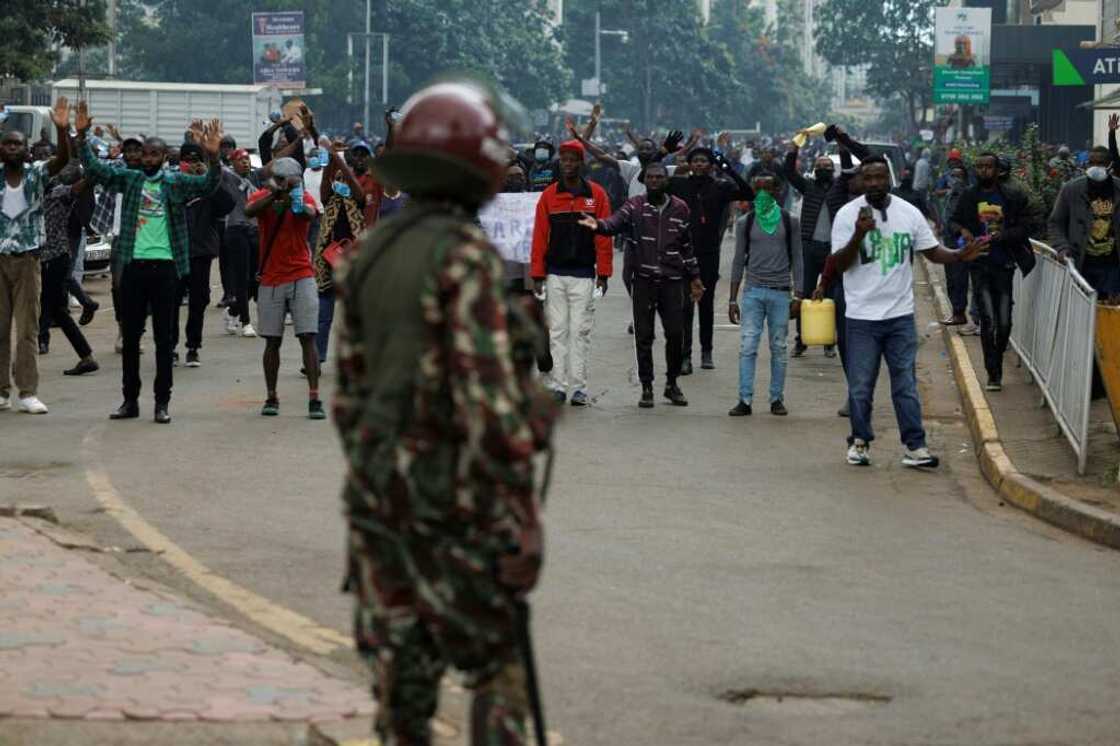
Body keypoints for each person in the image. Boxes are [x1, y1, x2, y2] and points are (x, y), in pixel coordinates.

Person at [334, 79, 557, 745]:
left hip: (377, 505)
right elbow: (491, 411)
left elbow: (348, 395)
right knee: (493, 670)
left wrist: (381, 471)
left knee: (403, 694)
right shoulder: (464, 257)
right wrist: (520, 514)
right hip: (453, 509)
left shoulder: (372, 254)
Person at [78, 106, 225, 424]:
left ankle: (162, 402)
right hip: (134, 267)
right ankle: (129, 401)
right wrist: (79, 136)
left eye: (154, 154)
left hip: (167, 269)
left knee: (163, 340)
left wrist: (213, 157)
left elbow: (208, 186)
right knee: (131, 339)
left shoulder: (175, 182)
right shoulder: (129, 179)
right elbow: (96, 169)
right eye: (144, 153)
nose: (147, 158)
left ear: (163, 156)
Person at [831, 156, 981, 467]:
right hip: (861, 318)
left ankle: (915, 447)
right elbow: (839, 265)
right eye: (867, 178)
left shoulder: (908, 213)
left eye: (879, 177)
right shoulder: (847, 215)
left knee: (905, 385)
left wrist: (958, 255)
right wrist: (859, 234)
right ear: (860, 181)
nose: (874, 183)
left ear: (890, 179)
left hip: (899, 316)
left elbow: (931, 251)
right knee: (861, 387)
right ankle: (859, 442)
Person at [578, 162, 703, 407]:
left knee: (676, 334)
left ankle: (672, 384)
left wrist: (695, 277)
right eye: (651, 177)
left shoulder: (680, 208)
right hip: (643, 282)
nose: (655, 181)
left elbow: (687, 246)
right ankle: (646, 387)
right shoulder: (634, 206)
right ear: (644, 181)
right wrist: (597, 225)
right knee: (644, 337)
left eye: (659, 177)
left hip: (672, 281)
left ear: (666, 181)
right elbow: (613, 223)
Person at [0, 97, 72, 415]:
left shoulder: (36, 174)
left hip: (29, 261)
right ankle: (2, 392)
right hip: (0, 260)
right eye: (7, 144)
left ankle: (27, 392)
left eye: (18, 144)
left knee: (27, 328)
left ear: (26, 148)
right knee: (0, 329)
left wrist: (62, 129)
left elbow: (62, 160)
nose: (13, 148)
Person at [529, 139, 613, 406]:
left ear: (581, 163)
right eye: (563, 160)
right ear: (559, 163)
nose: (568, 164)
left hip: (585, 275)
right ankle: (557, 385)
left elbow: (603, 237)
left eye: (572, 160)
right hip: (554, 274)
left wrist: (605, 273)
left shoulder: (597, 195)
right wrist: (538, 275)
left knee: (580, 332)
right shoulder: (549, 196)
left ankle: (579, 388)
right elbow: (540, 237)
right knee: (557, 332)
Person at [243, 157, 324, 420]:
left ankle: (314, 397)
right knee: (272, 340)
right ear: (274, 179)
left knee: (307, 336)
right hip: (272, 277)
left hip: (301, 273)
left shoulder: (304, 197)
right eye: (282, 179)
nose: (288, 184)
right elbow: (249, 211)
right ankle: (271, 396)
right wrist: (275, 194)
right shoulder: (263, 195)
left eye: (292, 180)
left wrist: (294, 197)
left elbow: (309, 214)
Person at [950, 152, 1033, 391]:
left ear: (997, 171)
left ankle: (996, 359)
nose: (984, 170)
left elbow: (1025, 226)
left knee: (1005, 321)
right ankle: (993, 373)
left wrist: (1003, 236)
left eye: (989, 167)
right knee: (987, 319)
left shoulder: (1012, 197)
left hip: (1004, 264)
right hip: (979, 265)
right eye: (980, 166)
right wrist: (963, 231)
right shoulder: (969, 195)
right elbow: (954, 221)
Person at [668, 146, 753, 374]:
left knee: (706, 303)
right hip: (683, 252)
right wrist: (666, 156)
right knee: (685, 306)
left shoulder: (720, 187)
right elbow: (647, 178)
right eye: (695, 160)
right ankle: (685, 356)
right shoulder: (679, 185)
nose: (699, 164)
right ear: (689, 164)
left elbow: (748, 193)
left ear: (710, 165)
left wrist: (728, 168)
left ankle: (707, 352)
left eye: (704, 161)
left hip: (709, 253)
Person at [727, 175, 803, 417]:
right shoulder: (745, 222)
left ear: (777, 190)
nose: (762, 193)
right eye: (757, 188)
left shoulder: (790, 221)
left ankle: (776, 399)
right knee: (748, 346)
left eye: (767, 188)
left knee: (779, 348)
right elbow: (738, 260)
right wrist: (732, 298)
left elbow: (798, 259)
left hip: (781, 293)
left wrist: (799, 295)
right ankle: (744, 399)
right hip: (753, 292)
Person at [171, 142, 236, 367]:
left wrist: (208, 178)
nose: (190, 164)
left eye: (195, 160)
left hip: (200, 252)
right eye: (186, 160)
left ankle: (192, 347)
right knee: (170, 302)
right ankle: (170, 347)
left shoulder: (208, 185)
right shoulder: (172, 183)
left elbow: (228, 204)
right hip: (174, 252)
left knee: (198, 302)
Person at [38, 162, 99, 376]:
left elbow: (79, 186)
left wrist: (93, 170)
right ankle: (84, 355)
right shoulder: (31, 194)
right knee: (54, 308)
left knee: (50, 306)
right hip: (42, 258)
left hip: (54, 258)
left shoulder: (59, 194)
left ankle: (46, 342)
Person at [311, 146, 365, 366]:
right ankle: (317, 357)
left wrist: (340, 162)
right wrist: (329, 163)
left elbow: (357, 191)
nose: (342, 181)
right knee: (324, 315)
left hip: (354, 259)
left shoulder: (358, 201)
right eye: (339, 179)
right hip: (329, 259)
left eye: (346, 178)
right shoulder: (330, 200)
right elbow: (324, 189)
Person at [1050, 145, 1120, 302]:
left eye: (1100, 163)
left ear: (1110, 166)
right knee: (1082, 309)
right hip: (1081, 263)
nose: (1095, 167)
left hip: (1112, 266)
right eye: (1091, 163)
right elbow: (1056, 223)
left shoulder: (1118, 189)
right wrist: (1062, 247)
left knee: (1109, 311)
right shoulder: (1071, 189)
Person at [222, 149, 262, 338]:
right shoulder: (228, 177)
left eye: (247, 159)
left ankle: (233, 311)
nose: (245, 162)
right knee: (241, 277)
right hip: (236, 230)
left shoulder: (256, 177)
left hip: (255, 231)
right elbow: (214, 167)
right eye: (240, 160)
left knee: (255, 278)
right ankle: (246, 321)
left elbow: (274, 164)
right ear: (233, 163)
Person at [938, 164, 972, 326]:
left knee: (959, 278)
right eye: (953, 176)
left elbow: (957, 219)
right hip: (949, 240)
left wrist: (959, 229)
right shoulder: (951, 194)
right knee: (951, 278)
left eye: (959, 176)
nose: (955, 179)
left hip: (959, 242)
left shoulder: (966, 194)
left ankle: (959, 312)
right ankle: (956, 311)